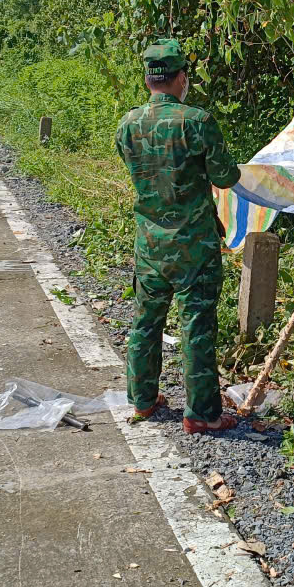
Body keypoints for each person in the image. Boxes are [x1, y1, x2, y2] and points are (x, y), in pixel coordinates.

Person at [115, 38, 241, 435]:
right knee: (197, 326)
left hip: (149, 244)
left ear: (149, 80)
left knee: (146, 323)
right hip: (194, 247)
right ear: (181, 78)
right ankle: (202, 413)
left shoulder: (128, 125)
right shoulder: (197, 122)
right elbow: (225, 177)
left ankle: (143, 400)